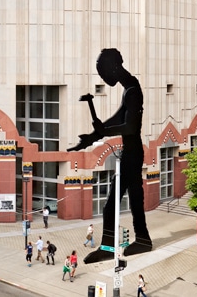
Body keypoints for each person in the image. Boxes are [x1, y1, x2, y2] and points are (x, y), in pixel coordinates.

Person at [70, 49, 153, 264]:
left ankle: (108, 247)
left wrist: (103, 132)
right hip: (132, 152)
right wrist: (91, 136)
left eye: (103, 72)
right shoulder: (130, 88)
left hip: (132, 154)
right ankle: (143, 239)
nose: (103, 78)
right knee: (135, 199)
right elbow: (118, 118)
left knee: (110, 204)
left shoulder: (133, 90)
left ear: (114, 67)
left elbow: (130, 127)